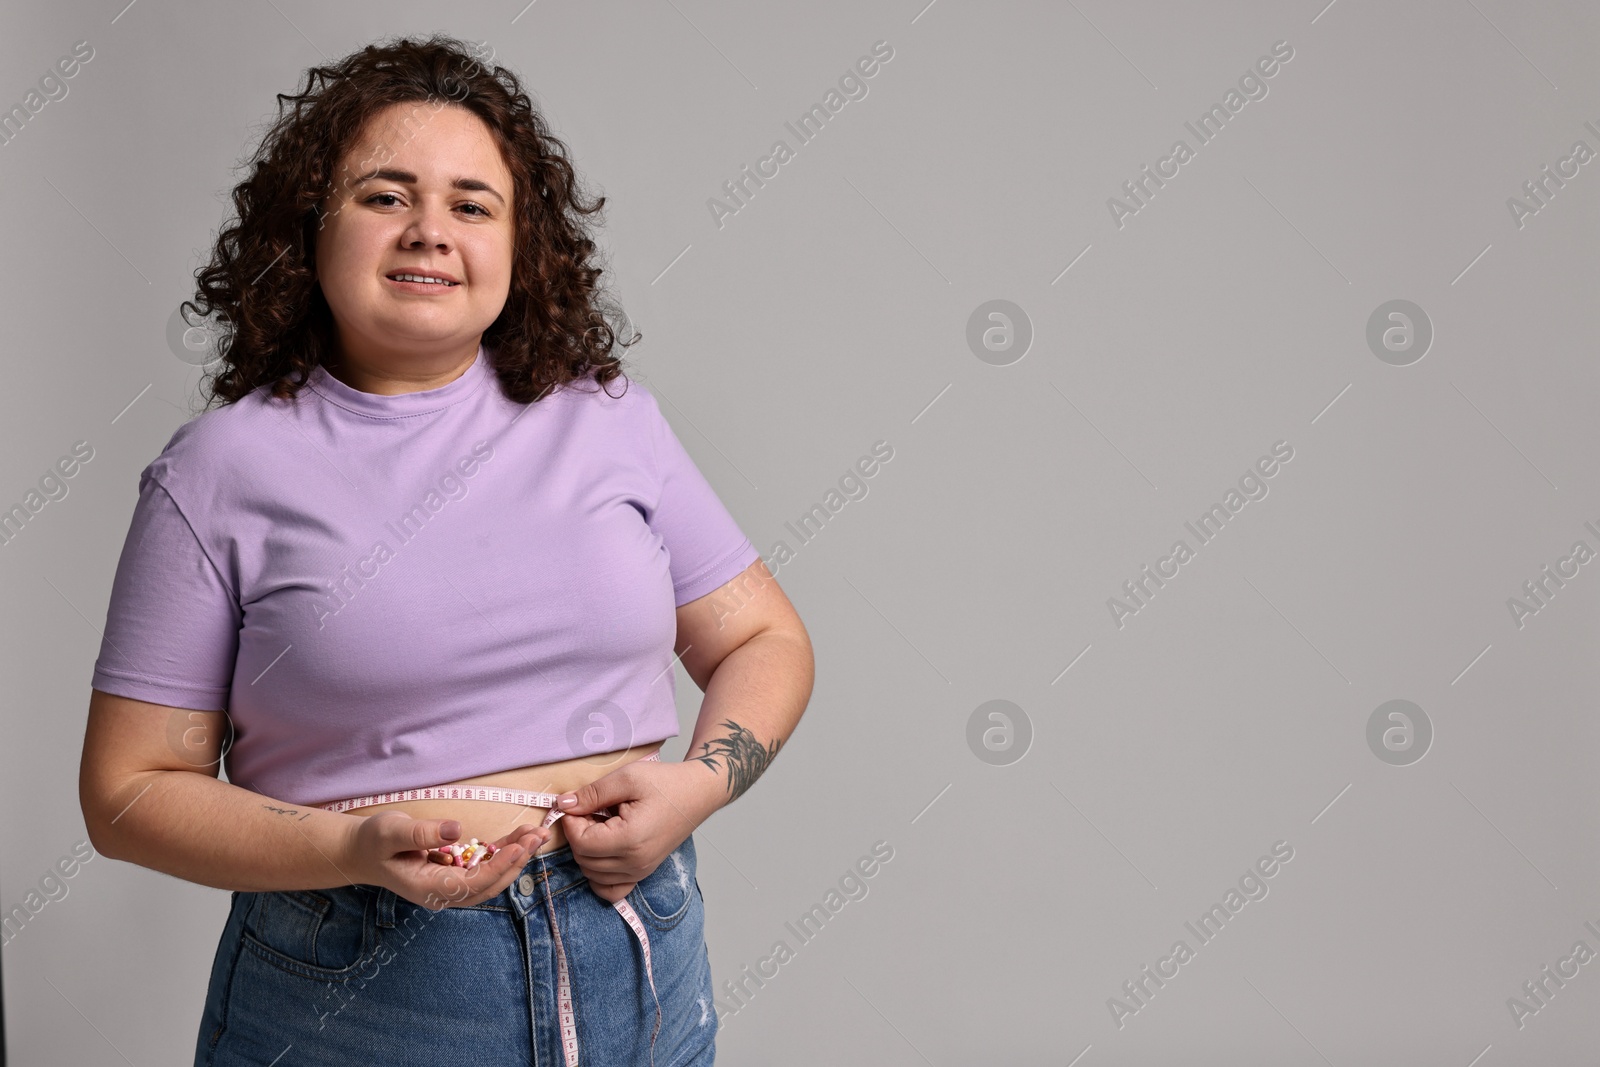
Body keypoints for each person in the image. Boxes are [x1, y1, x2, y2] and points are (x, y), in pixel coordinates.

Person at [76, 34, 812, 1067]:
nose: (430, 230)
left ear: (521, 245)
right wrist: (348, 849)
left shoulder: (610, 421)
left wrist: (701, 780)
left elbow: (767, 637)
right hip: (362, 985)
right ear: (310, 226)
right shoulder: (219, 470)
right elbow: (128, 791)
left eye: (472, 204)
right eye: (385, 195)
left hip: (640, 955)